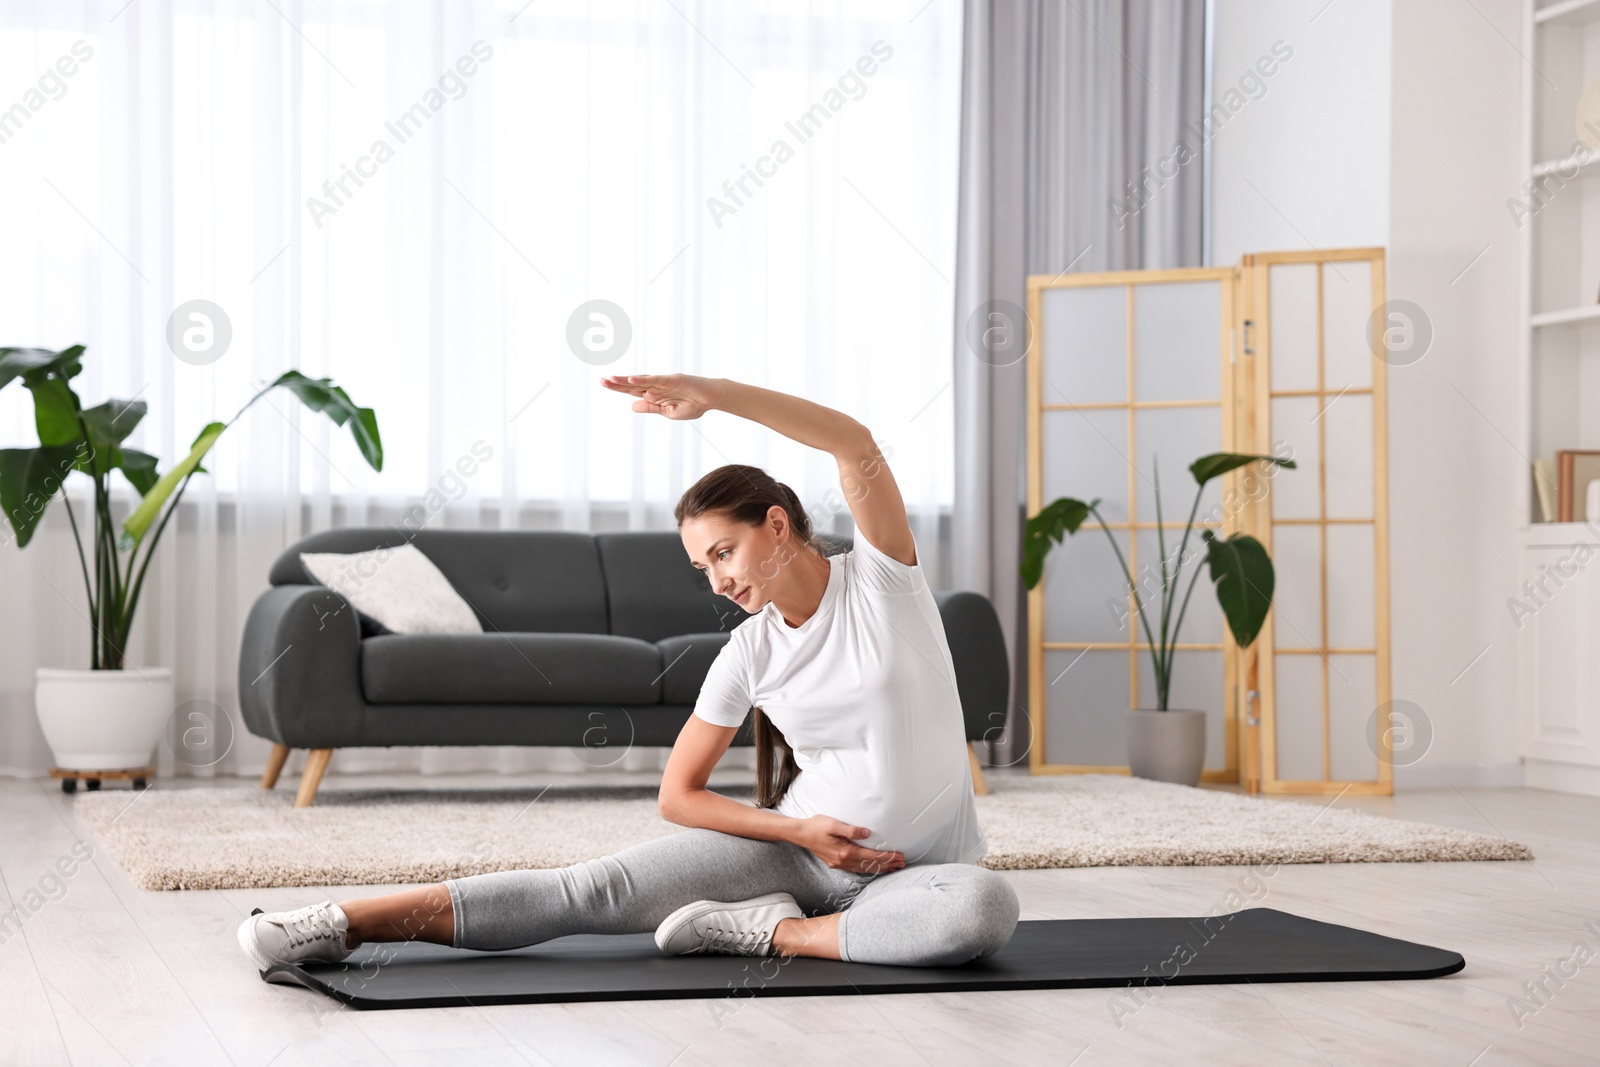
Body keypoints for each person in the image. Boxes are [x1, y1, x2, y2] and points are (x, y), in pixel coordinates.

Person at [238, 374, 1019, 970]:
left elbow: (854, 443)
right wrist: (798, 829)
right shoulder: (749, 651)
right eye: (700, 565)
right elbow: (678, 795)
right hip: (793, 852)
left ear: (776, 524)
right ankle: (340, 920)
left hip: (918, 876)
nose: (716, 580)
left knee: (983, 909)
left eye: (724, 552)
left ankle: (771, 932)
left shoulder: (883, 584)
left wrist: (713, 396)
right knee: (590, 890)